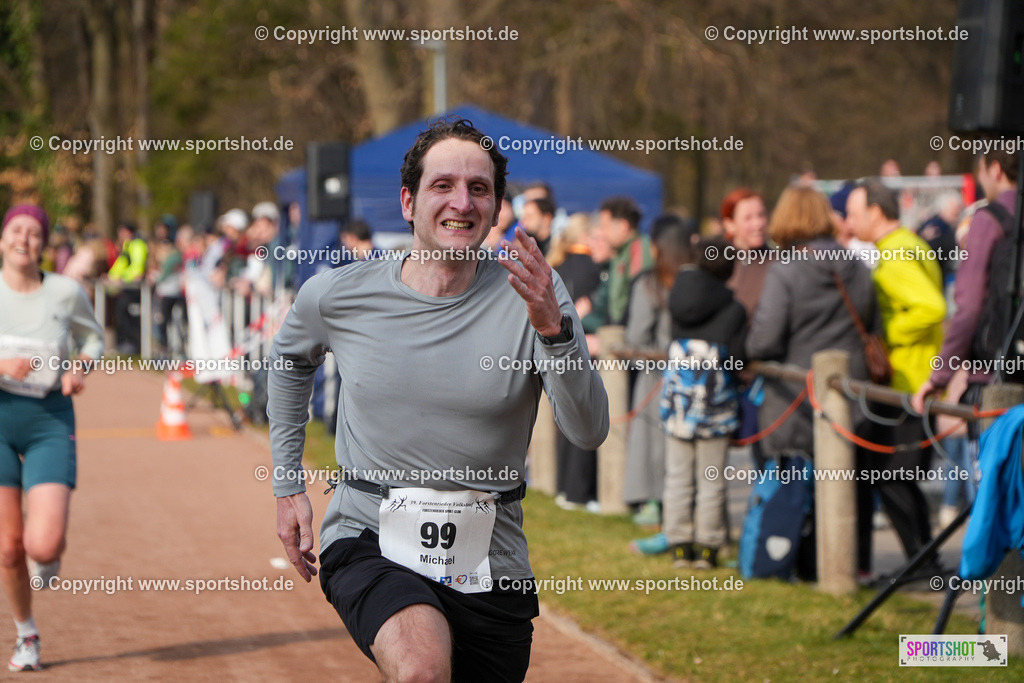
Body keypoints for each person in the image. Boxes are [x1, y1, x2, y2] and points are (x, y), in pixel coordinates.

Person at [268, 117, 608, 682]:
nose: (462, 201)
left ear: (498, 208)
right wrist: (287, 486)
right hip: (369, 531)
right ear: (408, 202)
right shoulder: (341, 293)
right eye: (442, 185)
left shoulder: (536, 294)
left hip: (490, 555)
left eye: (480, 189)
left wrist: (553, 331)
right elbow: (288, 362)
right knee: (423, 669)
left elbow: (589, 430)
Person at [747, 186, 877, 576]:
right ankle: (850, 568)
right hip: (852, 397)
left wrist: (747, 344)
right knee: (845, 488)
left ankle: (791, 564)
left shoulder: (786, 269)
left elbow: (765, 340)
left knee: (791, 492)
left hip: (796, 400)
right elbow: (871, 324)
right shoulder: (857, 266)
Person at [0, 205, 104, 671]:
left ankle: (48, 555)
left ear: (45, 244)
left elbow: (93, 339)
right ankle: (27, 635)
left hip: (48, 421)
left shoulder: (64, 292)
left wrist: (79, 369)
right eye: (16, 229)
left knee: (41, 547)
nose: (24, 238)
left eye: (34, 232)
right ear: (3, 239)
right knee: (7, 547)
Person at [848, 179, 946, 568]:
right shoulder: (908, 243)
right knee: (898, 476)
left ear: (875, 212)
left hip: (905, 382)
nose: (849, 221)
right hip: (915, 377)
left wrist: (883, 338)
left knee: (892, 475)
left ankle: (922, 565)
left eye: (854, 214)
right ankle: (924, 561)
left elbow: (931, 308)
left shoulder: (898, 252)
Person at [662, 235, 746, 569]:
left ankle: (679, 545)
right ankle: (709, 548)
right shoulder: (733, 308)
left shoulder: (677, 297)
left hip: (678, 405)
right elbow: (740, 357)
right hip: (715, 406)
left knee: (677, 477)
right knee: (712, 479)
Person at [624, 217, 695, 528]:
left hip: (657, 375)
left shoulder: (649, 285)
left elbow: (637, 337)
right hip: (693, 375)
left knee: (652, 444)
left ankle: (653, 502)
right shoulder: (697, 282)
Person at [600, 196, 653, 325]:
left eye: (605, 226)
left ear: (623, 226)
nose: (602, 233)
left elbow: (641, 297)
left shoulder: (639, 250)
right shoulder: (621, 252)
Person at [106, 222, 148, 354]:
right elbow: (121, 264)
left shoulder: (137, 245)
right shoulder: (128, 246)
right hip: (127, 287)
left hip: (134, 289)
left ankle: (134, 345)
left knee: (127, 314)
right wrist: (111, 277)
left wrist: (122, 278)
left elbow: (138, 268)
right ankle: (126, 343)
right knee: (120, 312)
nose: (120, 235)